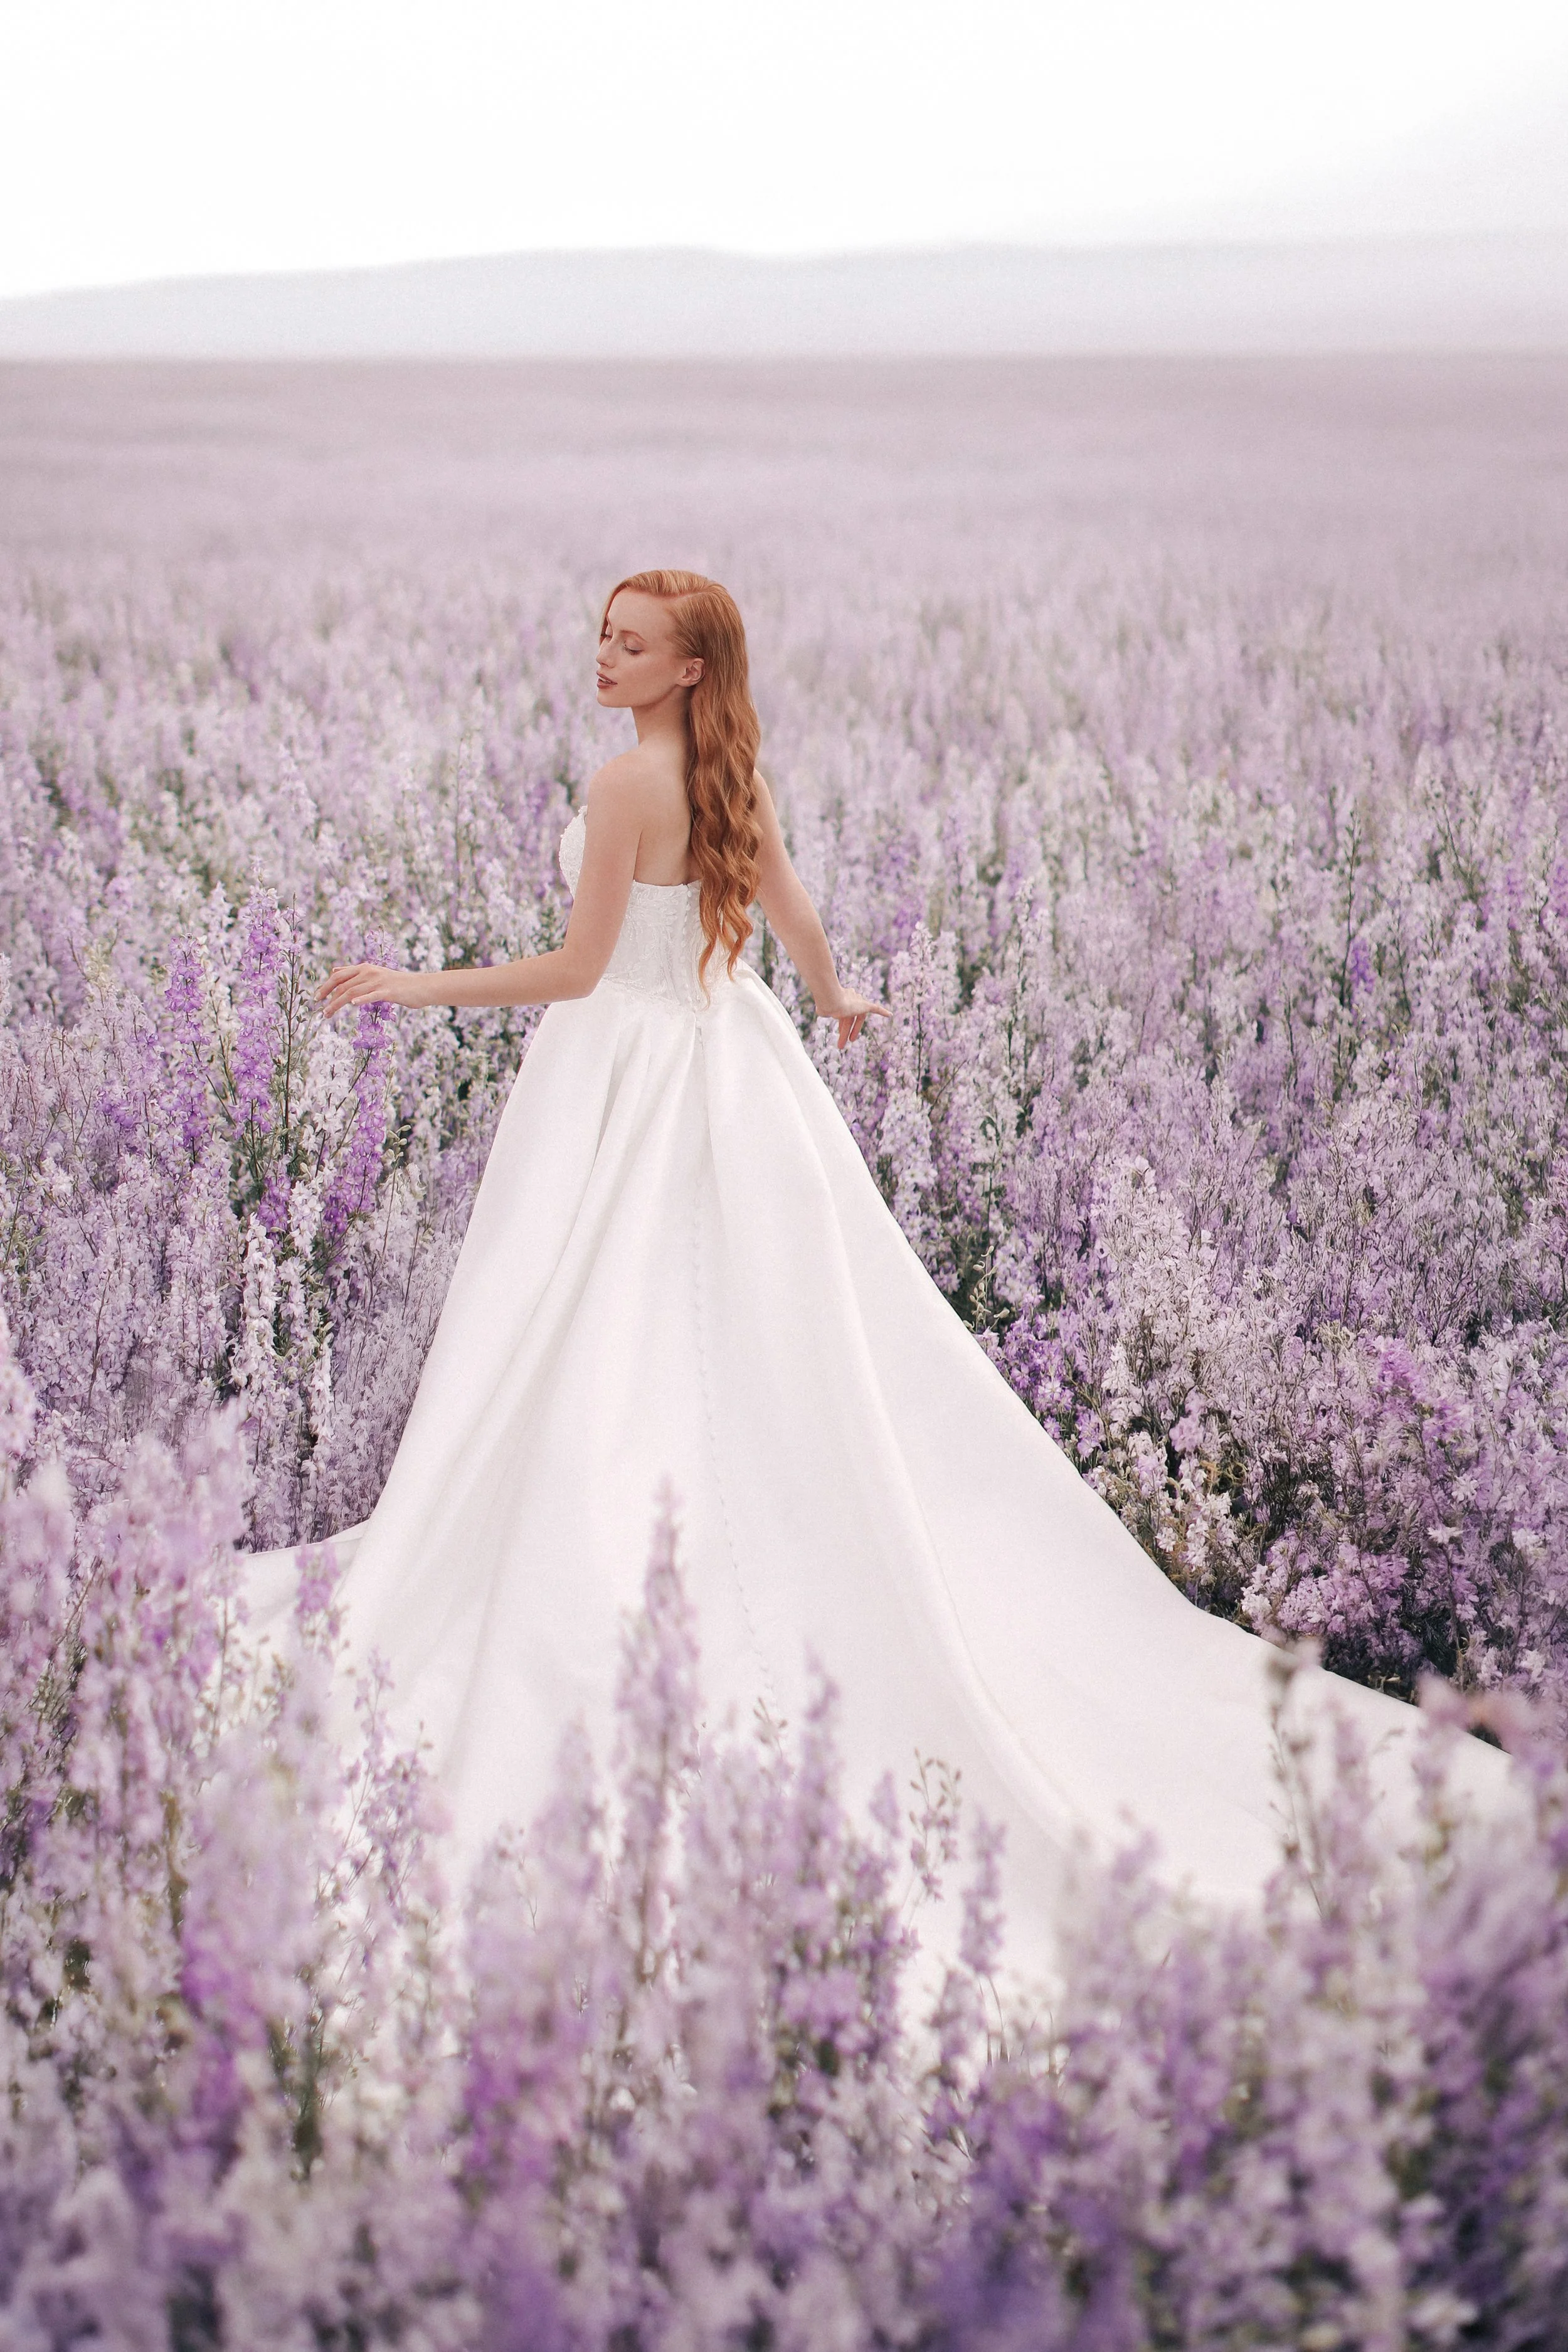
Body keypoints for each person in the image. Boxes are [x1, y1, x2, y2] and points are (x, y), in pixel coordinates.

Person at [285, 567, 1497, 1964]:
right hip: (734, 1060)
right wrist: (834, 996)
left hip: (621, 1071)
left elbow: (578, 972)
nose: (603, 656)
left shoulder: (623, 790)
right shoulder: (731, 772)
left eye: (633, 644)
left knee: (592, 1319)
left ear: (689, 668)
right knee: (753, 1320)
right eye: (602, 635)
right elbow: (788, 908)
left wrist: (415, 987)